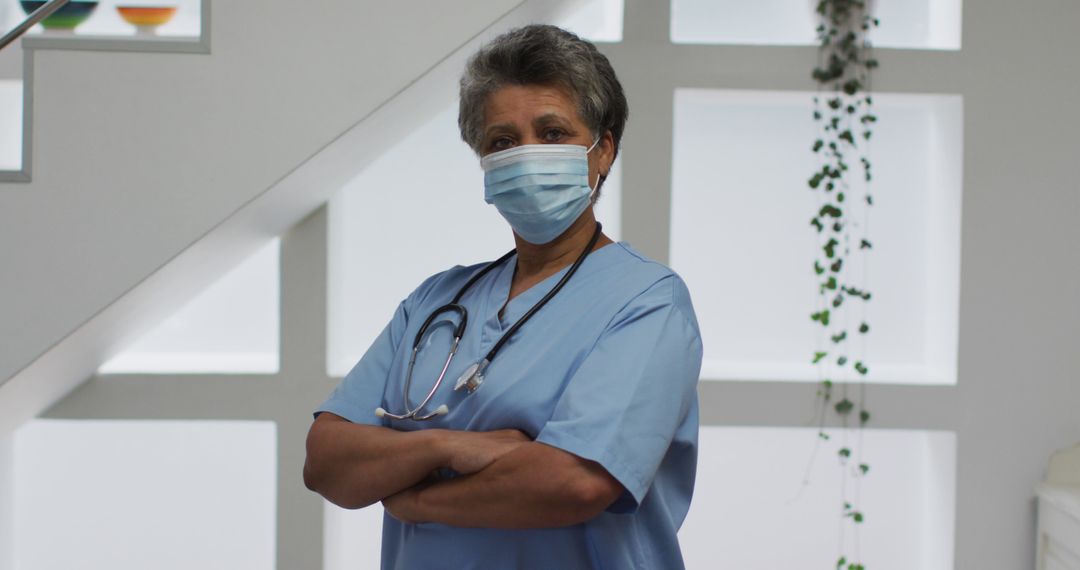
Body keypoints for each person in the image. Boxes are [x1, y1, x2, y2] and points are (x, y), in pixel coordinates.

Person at [303, 24, 703, 569]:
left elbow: (575, 480)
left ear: (602, 150)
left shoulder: (647, 302)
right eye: (503, 141)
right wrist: (451, 447)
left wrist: (416, 497)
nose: (527, 154)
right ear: (485, 164)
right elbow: (327, 462)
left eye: (553, 132)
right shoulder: (435, 302)